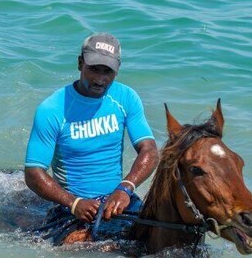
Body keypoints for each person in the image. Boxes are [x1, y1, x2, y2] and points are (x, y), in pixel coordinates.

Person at [24, 32, 159, 244]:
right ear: (80, 63)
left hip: (119, 198)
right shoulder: (52, 109)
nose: (100, 79)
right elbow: (33, 173)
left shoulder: (126, 98)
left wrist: (125, 188)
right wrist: (74, 203)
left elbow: (149, 150)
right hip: (73, 206)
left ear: (117, 70)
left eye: (108, 71)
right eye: (94, 69)